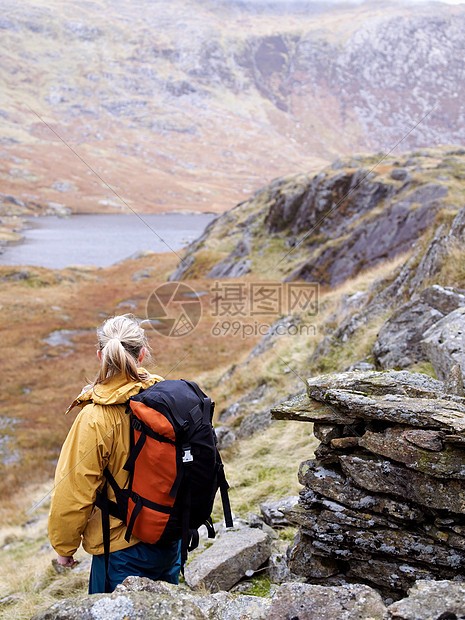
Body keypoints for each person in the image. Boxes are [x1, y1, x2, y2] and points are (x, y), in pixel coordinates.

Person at [48, 314, 182, 593]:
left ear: (101, 355)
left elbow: (73, 489)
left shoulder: (95, 418)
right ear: (142, 353)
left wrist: (64, 547)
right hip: (170, 537)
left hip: (120, 548)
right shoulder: (169, 397)